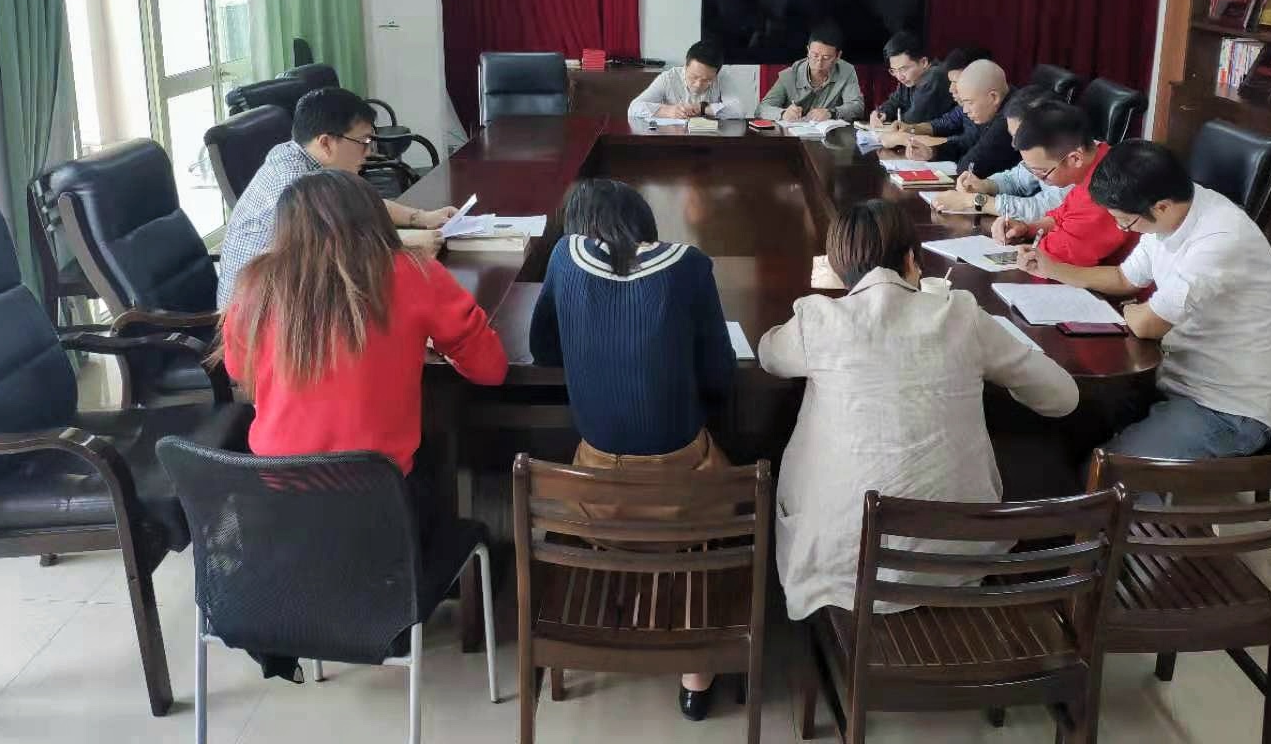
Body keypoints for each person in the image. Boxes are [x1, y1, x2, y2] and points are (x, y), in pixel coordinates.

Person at [221, 170, 507, 679]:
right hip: (381, 520)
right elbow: (490, 369)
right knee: (435, 454)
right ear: (373, 219)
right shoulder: (410, 273)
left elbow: (240, 371)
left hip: (277, 523)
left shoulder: (255, 284)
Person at [757, 200, 1078, 621]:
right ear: (912, 259)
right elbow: (1062, 396)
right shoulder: (960, 313)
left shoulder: (818, 319)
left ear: (837, 267)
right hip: (956, 561)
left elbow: (769, 354)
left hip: (844, 568)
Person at [529, 178, 736, 722]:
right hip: (679, 486)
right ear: (643, 221)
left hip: (594, 488)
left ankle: (617, 585)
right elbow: (719, 375)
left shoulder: (564, 257)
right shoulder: (690, 266)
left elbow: (542, 348)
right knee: (717, 489)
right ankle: (695, 676)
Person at [1018, 141, 1271, 460]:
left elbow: (1147, 325)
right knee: (1057, 421)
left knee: (1106, 469)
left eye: (1125, 221)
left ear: (1161, 206)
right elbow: (1124, 278)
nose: (1121, 227)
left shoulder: (1220, 240)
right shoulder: (1173, 210)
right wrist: (1053, 268)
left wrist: (1133, 311)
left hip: (1227, 409)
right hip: (1171, 377)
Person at [217, 87, 456, 308]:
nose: (368, 152)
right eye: (363, 142)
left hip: (292, 298)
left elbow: (361, 202)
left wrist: (421, 217)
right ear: (326, 143)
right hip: (257, 320)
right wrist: (404, 243)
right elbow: (341, 251)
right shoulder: (294, 188)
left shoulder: (297, 154)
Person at [991, 102, 1139, 267]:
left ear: (1075, 158)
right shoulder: (1100, 159)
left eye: (1043, 172)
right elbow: (1061, 217)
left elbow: (1052, 258)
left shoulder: (1106, 189)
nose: (1039, 179)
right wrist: (1026, 228)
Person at [927, 85, 1071, 220]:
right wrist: (985, 185)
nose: (1014, 145)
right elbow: (1016, 180)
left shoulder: (1071, 161)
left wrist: (974, 201)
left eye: (1018, 137)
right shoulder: (1044, 151)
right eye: (1012, 136)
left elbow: (1042, 209)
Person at [879, 44, 991, 153]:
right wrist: (909, 128)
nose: (951, 89)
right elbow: (945, 123)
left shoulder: (988, 112)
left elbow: (966, 144)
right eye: (894, 70)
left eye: (956, 82)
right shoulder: (964, 107)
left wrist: (906, 139)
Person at [925, 59, 1019, 177]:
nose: (965, 110)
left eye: (969, 102)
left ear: (993, 97)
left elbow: (968, 168)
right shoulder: (992, 108)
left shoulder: (1010, 119)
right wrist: (932, 152)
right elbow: (968, 143)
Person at [756, 24, 866, 122]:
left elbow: (857, 107)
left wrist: (831, 113)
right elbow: (761, 109)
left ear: (838, 56)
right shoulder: (790, 75)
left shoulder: (846, 71)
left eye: (826, 57)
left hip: (830, 135)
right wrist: (783, 113)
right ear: (808, 51)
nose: (819, 62)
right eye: (815, 55)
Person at [628, 40, 744, 120]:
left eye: (707, 80)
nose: (698, 84)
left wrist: (702, 108)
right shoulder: (668, 78)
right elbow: (634, 108)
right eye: (694, 77)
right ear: (685, 66)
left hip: (711, 139)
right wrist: (669, 111)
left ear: (716, 74)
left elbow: (739, 111)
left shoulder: (722, 77)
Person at [867, 32, 953, 129]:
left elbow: (914, 119)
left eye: (903, 69)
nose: (899, 77)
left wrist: (893, 122)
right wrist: (881, 113)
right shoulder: (910, 79)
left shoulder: (936, 76)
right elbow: (894, 101)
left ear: (923, 62)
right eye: (894, 70)